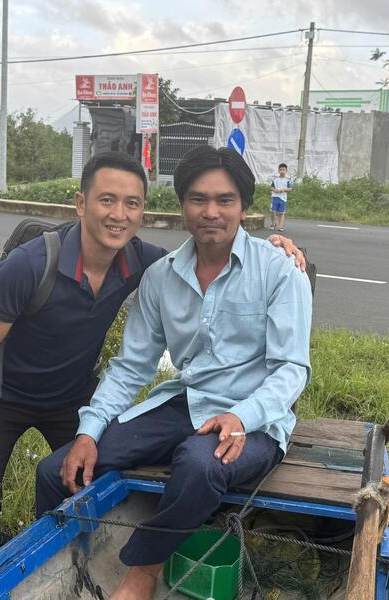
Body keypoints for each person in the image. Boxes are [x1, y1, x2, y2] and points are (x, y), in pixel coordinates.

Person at [0, 151, 306, 530]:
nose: (118, 215)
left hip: (74, 398)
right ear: (81, 203)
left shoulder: (151, 263)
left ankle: (108, 564)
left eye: (131, 203)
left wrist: (277, 250)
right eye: (107, 200)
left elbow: (212, 270)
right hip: (4, 396)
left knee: (92, 474)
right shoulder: (35, 264)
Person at [35, 146, 313, 600]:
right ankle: (60, 573)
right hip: (186, 403)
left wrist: (241, 417)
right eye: (198, 199)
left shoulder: (279, 271)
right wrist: (89, 430)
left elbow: (290, 369)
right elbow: (131, 367)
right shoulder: (162, 276)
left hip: (257, 418)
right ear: (182, 205)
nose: (211, 212)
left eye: (225, 200)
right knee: (54, 468)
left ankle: (143, 571)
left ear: (244, 207)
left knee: (199, 464)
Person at [269, 162, 292, 232]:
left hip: (283, 198)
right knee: (273, 211)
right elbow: (271, 187)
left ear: (286, 171)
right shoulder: (275, 179)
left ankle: (280, 226)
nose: (282, 171)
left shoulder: (288, 180)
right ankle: (273, 223)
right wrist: (275, 190)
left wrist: (284, 189)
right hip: (275, 197)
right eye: (280, 170)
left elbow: (290, 189)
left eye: (283, 170)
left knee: (281, 213)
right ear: (278, 170)